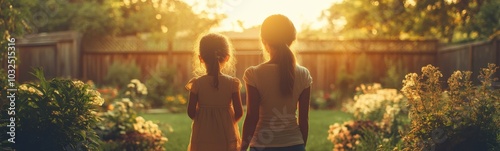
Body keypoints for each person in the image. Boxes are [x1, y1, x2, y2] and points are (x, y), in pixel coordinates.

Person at [240, 14, 312, 151]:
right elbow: (304, 120)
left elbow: (252, 117)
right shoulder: (304, 74)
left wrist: (242, 148)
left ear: (264, 40)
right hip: (295, 144)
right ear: (292, 40)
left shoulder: (254, 73)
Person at [186, 33, 243, 151]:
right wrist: (226, 121)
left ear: (200, 58)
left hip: (203, 136)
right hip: (226, 135)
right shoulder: (232, 83)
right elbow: (239, 112)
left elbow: (191, 112)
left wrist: (205, 119)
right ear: (227, 58)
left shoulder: (197, 84)